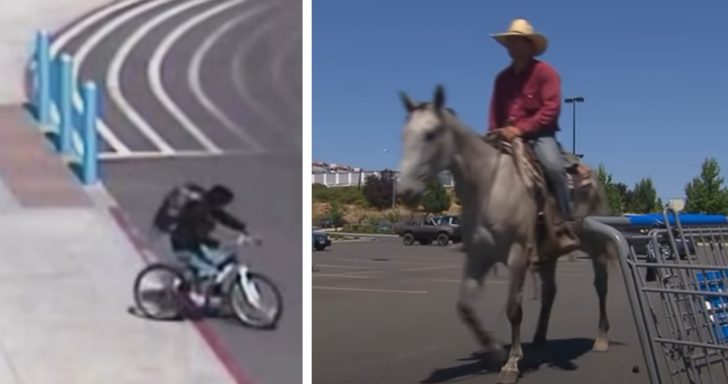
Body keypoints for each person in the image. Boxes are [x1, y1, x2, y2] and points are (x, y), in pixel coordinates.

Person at [487, 18, 579, 252]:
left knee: (553, 166)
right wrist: (493, 134)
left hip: (539, 134)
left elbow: (551, 109)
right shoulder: (502, 79)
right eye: (509, 42)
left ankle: (565, 223)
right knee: (480, 166)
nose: (512, 46)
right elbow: (495, 111)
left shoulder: (546, 73)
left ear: (529, 45)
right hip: (506, 135)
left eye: (517, 41)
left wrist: (520, 129)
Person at [167, 184, 250, 302]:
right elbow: (195, 234)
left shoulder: (208, 207)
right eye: (223, 203)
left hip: (194, 245)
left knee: (219, 261)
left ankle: (213, 290)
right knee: (209, 271)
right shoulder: (197, 210)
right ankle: (191, 294)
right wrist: (215, 243)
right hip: (184, 247)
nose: (223, 206)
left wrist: (241, 227)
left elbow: (224, 217)